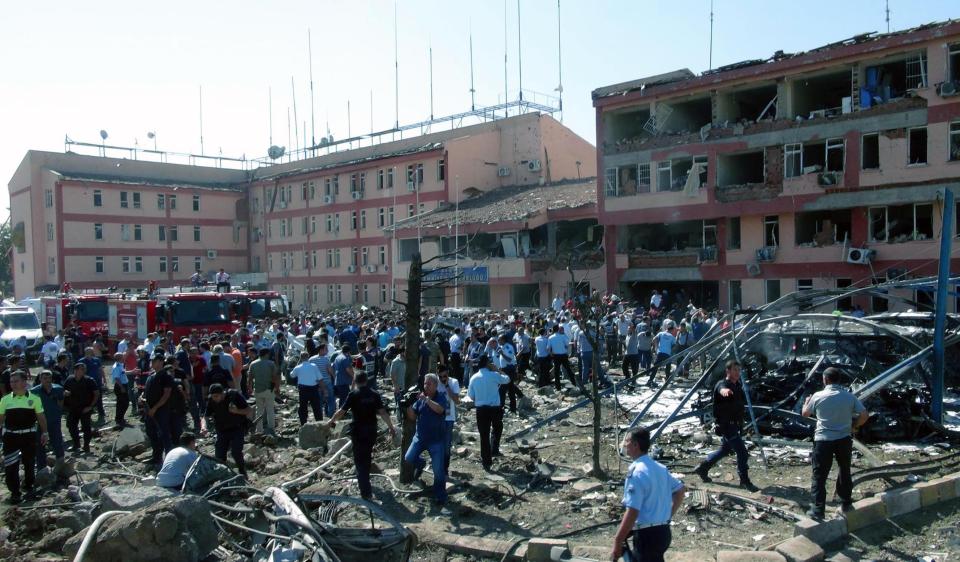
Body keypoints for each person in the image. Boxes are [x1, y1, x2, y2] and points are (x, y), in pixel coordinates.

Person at [802, 367, 869, 518]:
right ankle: (846, 503)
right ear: (839, 379)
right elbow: (864, 415)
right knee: (844, 470)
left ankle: (818, 510)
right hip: (844, 439)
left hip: (823, 440)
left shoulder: (818, 396)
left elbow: (805, 414)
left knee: (819, 475)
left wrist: (806, 402)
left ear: (825, 380)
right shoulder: (849, 396)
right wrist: (854, 426)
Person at [611, 427, 685, 562]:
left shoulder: (637, 472)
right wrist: (668, 514)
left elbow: (633, 510)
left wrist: (618, 540)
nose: (624, 444)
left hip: (647, 537)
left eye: (627, 441)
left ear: (635, 445)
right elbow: (680, 490)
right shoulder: (660, 468)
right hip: (663, 532)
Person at [327, 371, 396, 500]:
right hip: (371, 431)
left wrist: (332, 420)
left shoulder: (353, 394)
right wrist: (391, 427)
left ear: (355, 380)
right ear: (366, 380)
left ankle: (366, 493)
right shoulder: (374, 394)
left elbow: (342, 411)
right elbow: (383, 412)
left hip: (358, 431)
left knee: (359, 462)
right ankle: (366, 485)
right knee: (367, 457)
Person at [693, 359, 759, 492]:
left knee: (725, 450)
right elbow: (722, 389)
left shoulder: (738, 385)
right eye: (735, 370)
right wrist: (725, 392)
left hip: (735, 425)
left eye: (739, 370)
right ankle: (745, 481)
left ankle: (703, 468)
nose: (737, 372)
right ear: (728, 371)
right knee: (742, 453)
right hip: (727, 426)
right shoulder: (722, 384)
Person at [0, 371, 48, 503]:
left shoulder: (35, 399)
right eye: (11, 382)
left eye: (16, 381)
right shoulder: (5, 400)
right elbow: (0, 419)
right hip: (10, 436)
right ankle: (15, 492)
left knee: (29, 462)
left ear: (24, 382)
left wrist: (45, 433)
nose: (13, 384)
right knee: (11, 465)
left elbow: (41, 417)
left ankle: (29, 486)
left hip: (29, 435)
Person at [403, 373, 448, 505]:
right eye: (424, 383)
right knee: (409, 457)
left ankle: (440, 496)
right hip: (420, 437)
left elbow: (440, 410)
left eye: (428, 384)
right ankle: (421, 464)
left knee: (438, 470)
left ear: (435, 385)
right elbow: (412, 417)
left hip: (436, 440)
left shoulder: (440, 397)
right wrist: (409, 405)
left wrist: (426, 400)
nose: (425, 386)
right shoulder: (420, 399)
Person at [468, 355, 509, 471]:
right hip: (495, 408)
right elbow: (507, 379)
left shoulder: (474, 378)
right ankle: (494, 449)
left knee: (483, 435)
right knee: (497, 428)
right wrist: (498, 370)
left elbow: (470, 396)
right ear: (487, 364)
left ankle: (486, 461)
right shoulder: (494, 375)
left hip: (481, 409)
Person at [204, 384, 250, 476]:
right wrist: (203, 427)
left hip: (237, 428)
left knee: (236, 452)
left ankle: (242, 472)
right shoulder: (211, 400)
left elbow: (249, 410)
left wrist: (237, 411)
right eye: (212, 396)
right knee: (219, 455)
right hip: (221, 430)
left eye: (216, 396)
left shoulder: (234, 395)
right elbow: (205, 416)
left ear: (222, 393)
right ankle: (223, 475)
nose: (214, 398)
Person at [32, 371, 65, 477]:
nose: (47, 380)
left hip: (54, 420)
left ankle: (60, 465)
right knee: (40, 444)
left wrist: (58, 412)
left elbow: (61, 401)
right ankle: (41, 468)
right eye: (45, 378)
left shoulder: (58, 389)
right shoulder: (34, 391)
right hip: (40, 422)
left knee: (57, 441)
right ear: (40, 379)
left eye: (49, 378)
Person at [142, 358, 175, 465]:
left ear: (160, 362)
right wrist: (142, 397)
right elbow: (146, 391)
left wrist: (155, 408)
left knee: (164, 434)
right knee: (151, 433)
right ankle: (156, 457)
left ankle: (170, 460)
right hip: (148, 409)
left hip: (161, 410)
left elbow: (166, 394)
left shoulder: (166, 376)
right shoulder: (151, 376)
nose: (152, 363)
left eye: (154, 361)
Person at [63, 362, 98, 454]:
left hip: (85, 408)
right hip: (73, 408)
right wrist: (65, 393)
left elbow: (96, 394)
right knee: (71, 426)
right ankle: (76, 444)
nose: (84, 370)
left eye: (84, 369)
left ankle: (86, 446)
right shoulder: (69, 379)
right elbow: (64, 389)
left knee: (86, 428)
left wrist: (90, 406)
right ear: (75, 370)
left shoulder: (89, 380)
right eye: (81, 369)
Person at [249, 348, 280, 435]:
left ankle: (259, 430)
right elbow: (275, 377)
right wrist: (277, 388)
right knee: (270, 409)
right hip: (269, 389)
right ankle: (271, 429)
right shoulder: (271, 364)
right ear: (266, 354)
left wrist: (249, 387)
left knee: (259, 410)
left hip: (257, 389)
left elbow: (250, 378)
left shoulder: (253, 363)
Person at [291, 352, 327, 424]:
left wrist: (298, 363)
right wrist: (324, 390)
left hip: (303, 390)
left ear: (301, 358)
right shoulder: (314, 366)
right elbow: (320, 379)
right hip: (313, 389)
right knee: (316, 407)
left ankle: (303, 423)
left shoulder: (298, 367)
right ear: (308, 357)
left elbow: (292, 375)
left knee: (303, 408)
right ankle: (319, 423)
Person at [437, 365, 460, 473]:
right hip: (436, 417)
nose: (442, 379)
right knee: (437, 443)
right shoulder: (436, 382)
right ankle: (438, 465)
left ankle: (445, 468)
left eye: (444, 376)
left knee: (446, 444)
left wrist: (447, 386)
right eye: (440, 377)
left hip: (448, 417)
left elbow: (456, 400)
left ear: (448, 374)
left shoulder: (454, 382)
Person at [548, 325, 576, 390]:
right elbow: (567, 345)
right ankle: (574, 383)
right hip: (563, 355)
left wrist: (551, 354)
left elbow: (548, 348)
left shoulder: (550, 337)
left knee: (556, 372)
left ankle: (558, 387)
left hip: (556, 356)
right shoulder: (563, 336)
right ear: (558, 329)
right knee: (568, 370)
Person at [109, 352, 131, 428]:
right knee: (124, 403)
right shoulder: (116, 366)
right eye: (122, 357)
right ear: (119, 358)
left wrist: (132, 372)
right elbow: (116, 378)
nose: (124, 358)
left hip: (122, 385)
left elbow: (123, 373)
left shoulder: (120, 365)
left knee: (122, 403)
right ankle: (119, 419)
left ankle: (120, 418)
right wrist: (121, 387)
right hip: (120, 386)